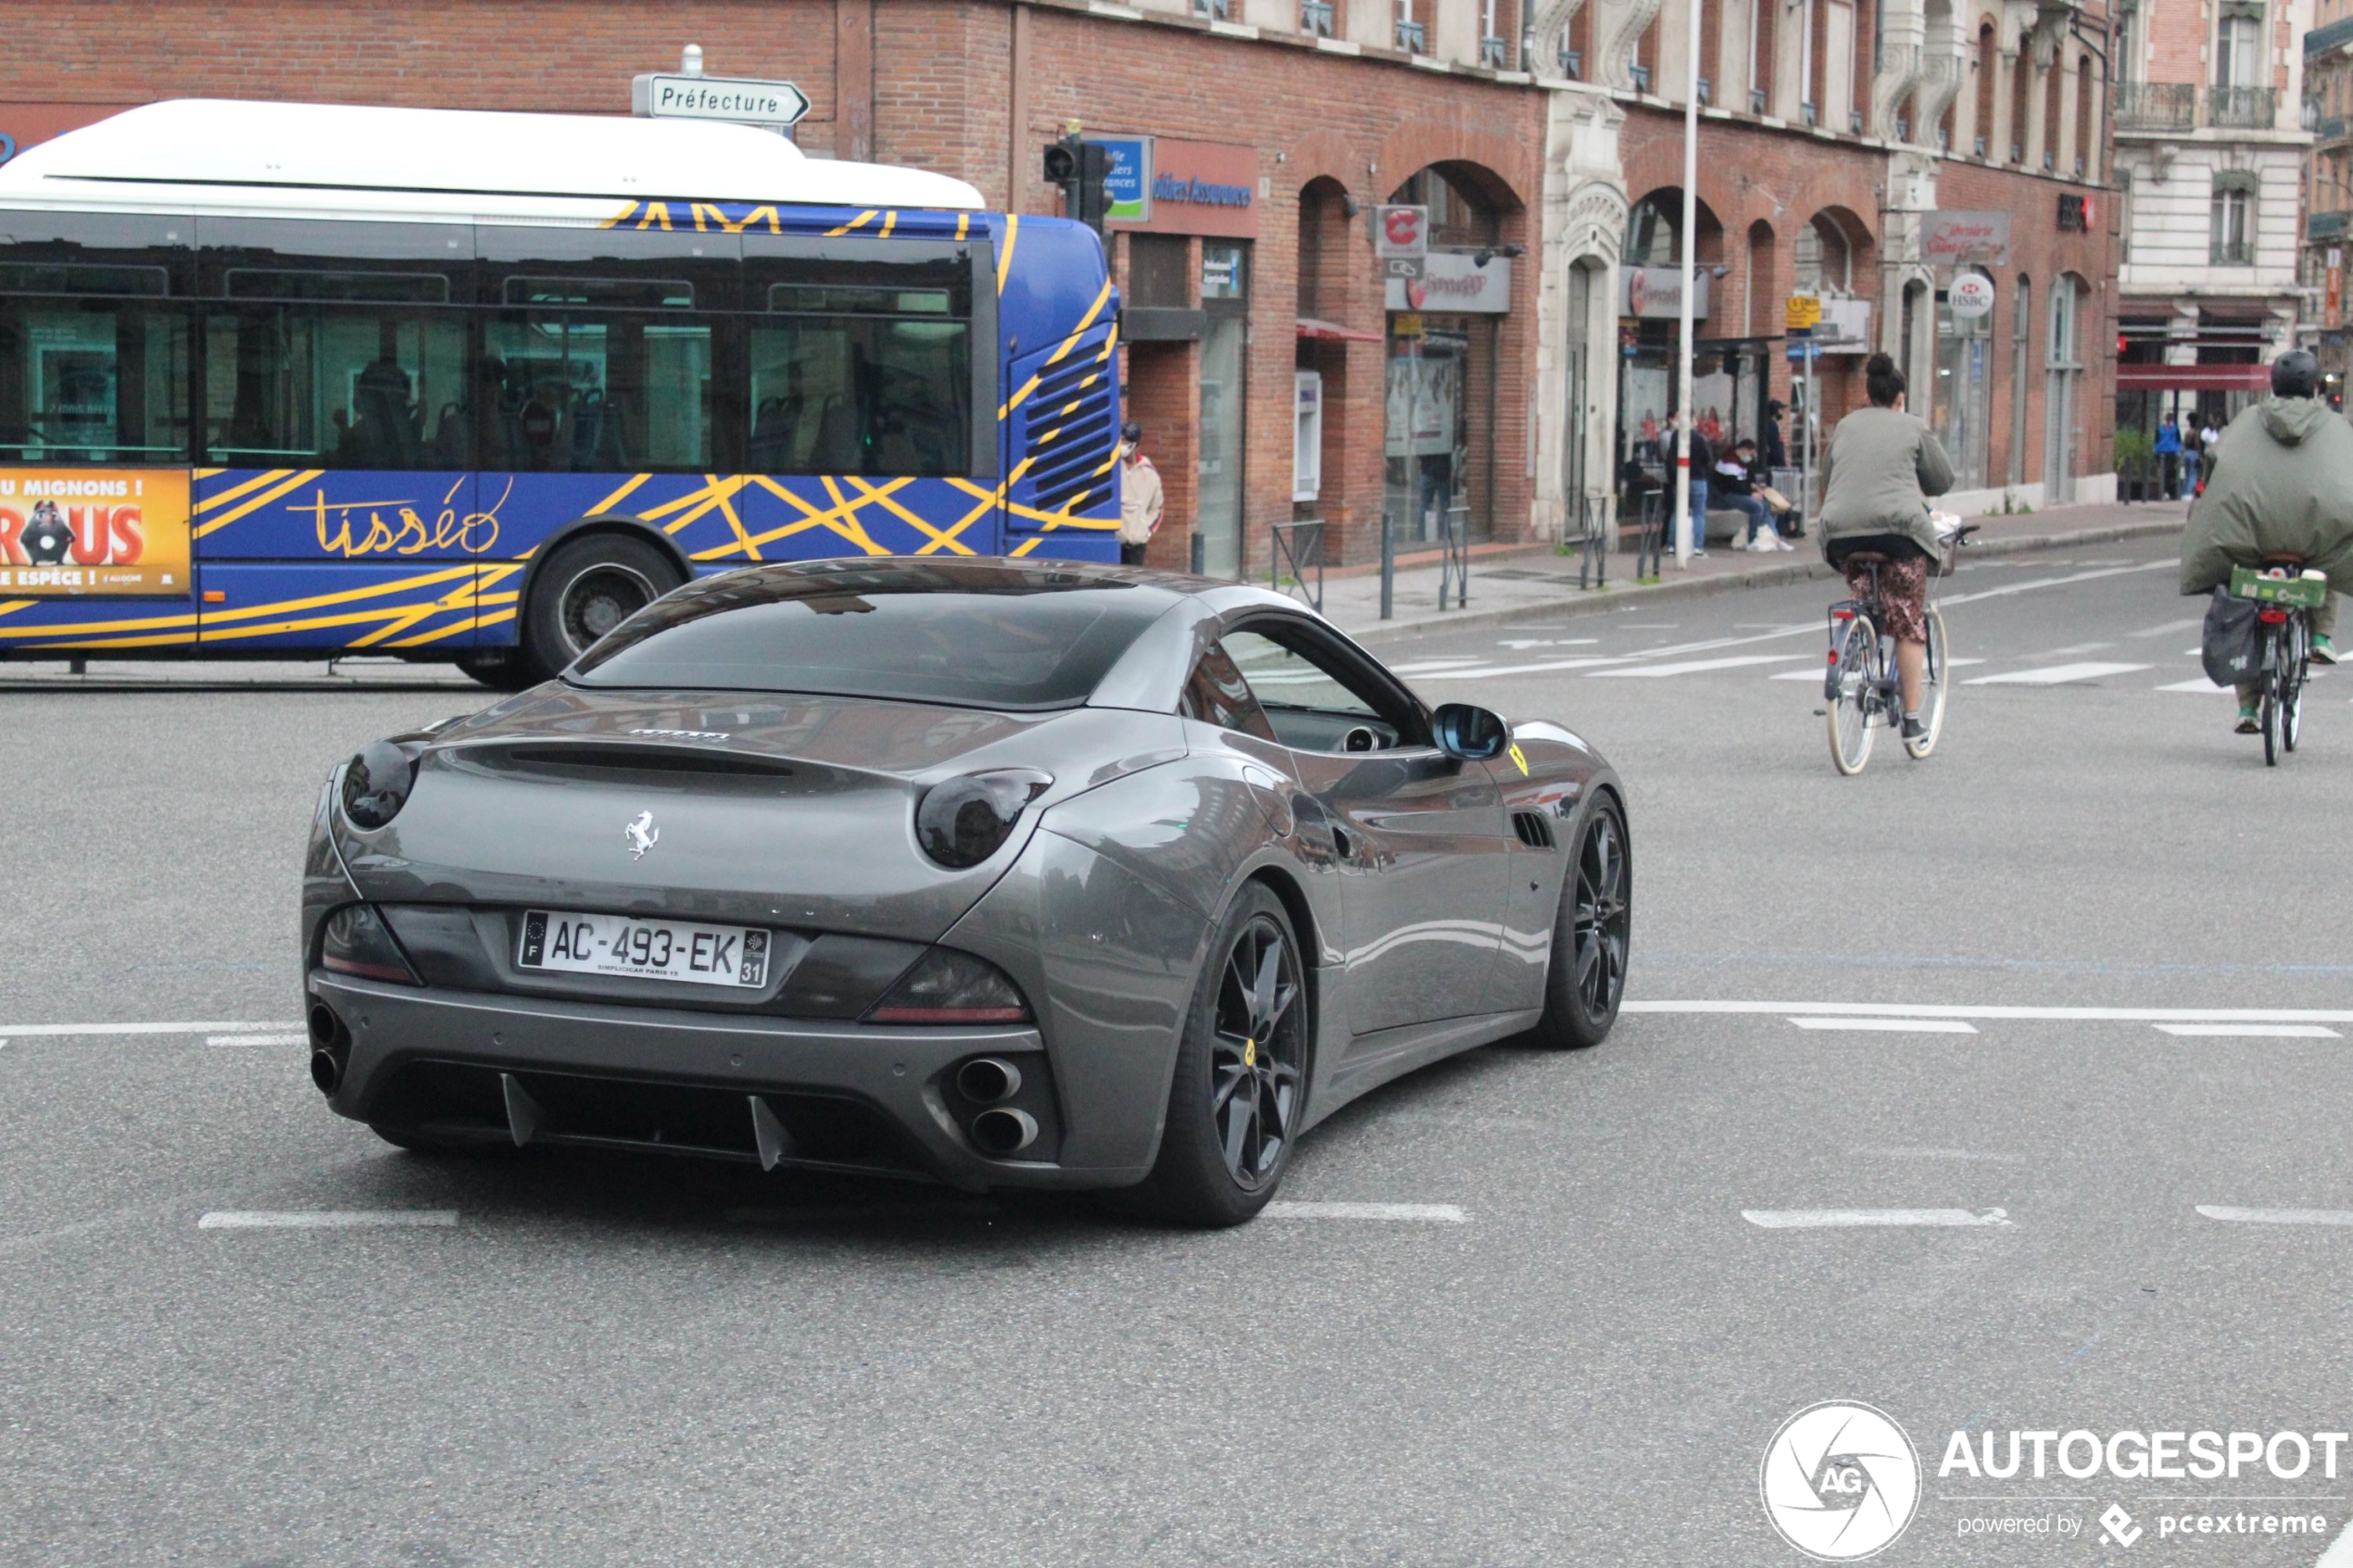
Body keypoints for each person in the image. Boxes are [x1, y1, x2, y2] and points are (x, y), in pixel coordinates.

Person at [2179, 350, 2350, 734]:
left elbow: (2216, 461)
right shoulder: (2333, 425)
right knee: (2328, 561)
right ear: (2314, 386)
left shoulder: (2248, 421)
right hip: (2308, 534)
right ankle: (2322, 636)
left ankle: (2247, 709)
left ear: (2273, 384)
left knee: (2245, 606)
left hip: (2254, 536)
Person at [1818, 353, 1957, 746]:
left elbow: (1827, 477)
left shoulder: (1845, 426)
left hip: (1841, 532)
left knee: (1865, 594)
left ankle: (1857, 639)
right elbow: (1941, 479)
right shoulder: (1912, 427)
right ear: (1900, 398)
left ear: (1867, 394)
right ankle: (1912, 719)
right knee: (1910, 622)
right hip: (1899, 533)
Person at [1713, 438, 1787, 550]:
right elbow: (1732, 485)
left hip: (1740, 492)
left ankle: (1774, 537)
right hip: (1728, 494)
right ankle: (1753, 539)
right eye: (1750, 454)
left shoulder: (1743, 462)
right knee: (1757, 507)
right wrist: (1750, 494)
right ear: (1743, 450)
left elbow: (1747, 480)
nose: (1751, 458)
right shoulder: (1729, 461)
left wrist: (1756, 488)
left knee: (1767, 504)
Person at [1116, 421, 1163, 567]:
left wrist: (1146, 529)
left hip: (1136, 546)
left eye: (1125, 441)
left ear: (1135, 444)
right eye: (1120, 440)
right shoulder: (1112, 469)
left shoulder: (1149, 474)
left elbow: (1158, 507)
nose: (1121, 445)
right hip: (1114, 543)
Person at [1679, 417, 1715, 559]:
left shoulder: (1676, 436)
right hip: (1698, 479)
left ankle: (1672, 545)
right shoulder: (1699, 439)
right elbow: (1707, 459)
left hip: (1680, 479)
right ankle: (1698, 547)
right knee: (1698, 514)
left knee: (1678, 512)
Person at [2155, 415, 2183, 500]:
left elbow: (2178, 441)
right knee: (2163, 472)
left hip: (2171, 452)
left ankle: (2167, 492)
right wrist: (2156, 451)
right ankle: (2163, 491)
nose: (2168, 421)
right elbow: (2156, 440)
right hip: (2161, 452)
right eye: (2168, 419)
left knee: (2169, 473)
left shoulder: (2175, 429)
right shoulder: (2160, 429)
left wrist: (2177, 451)